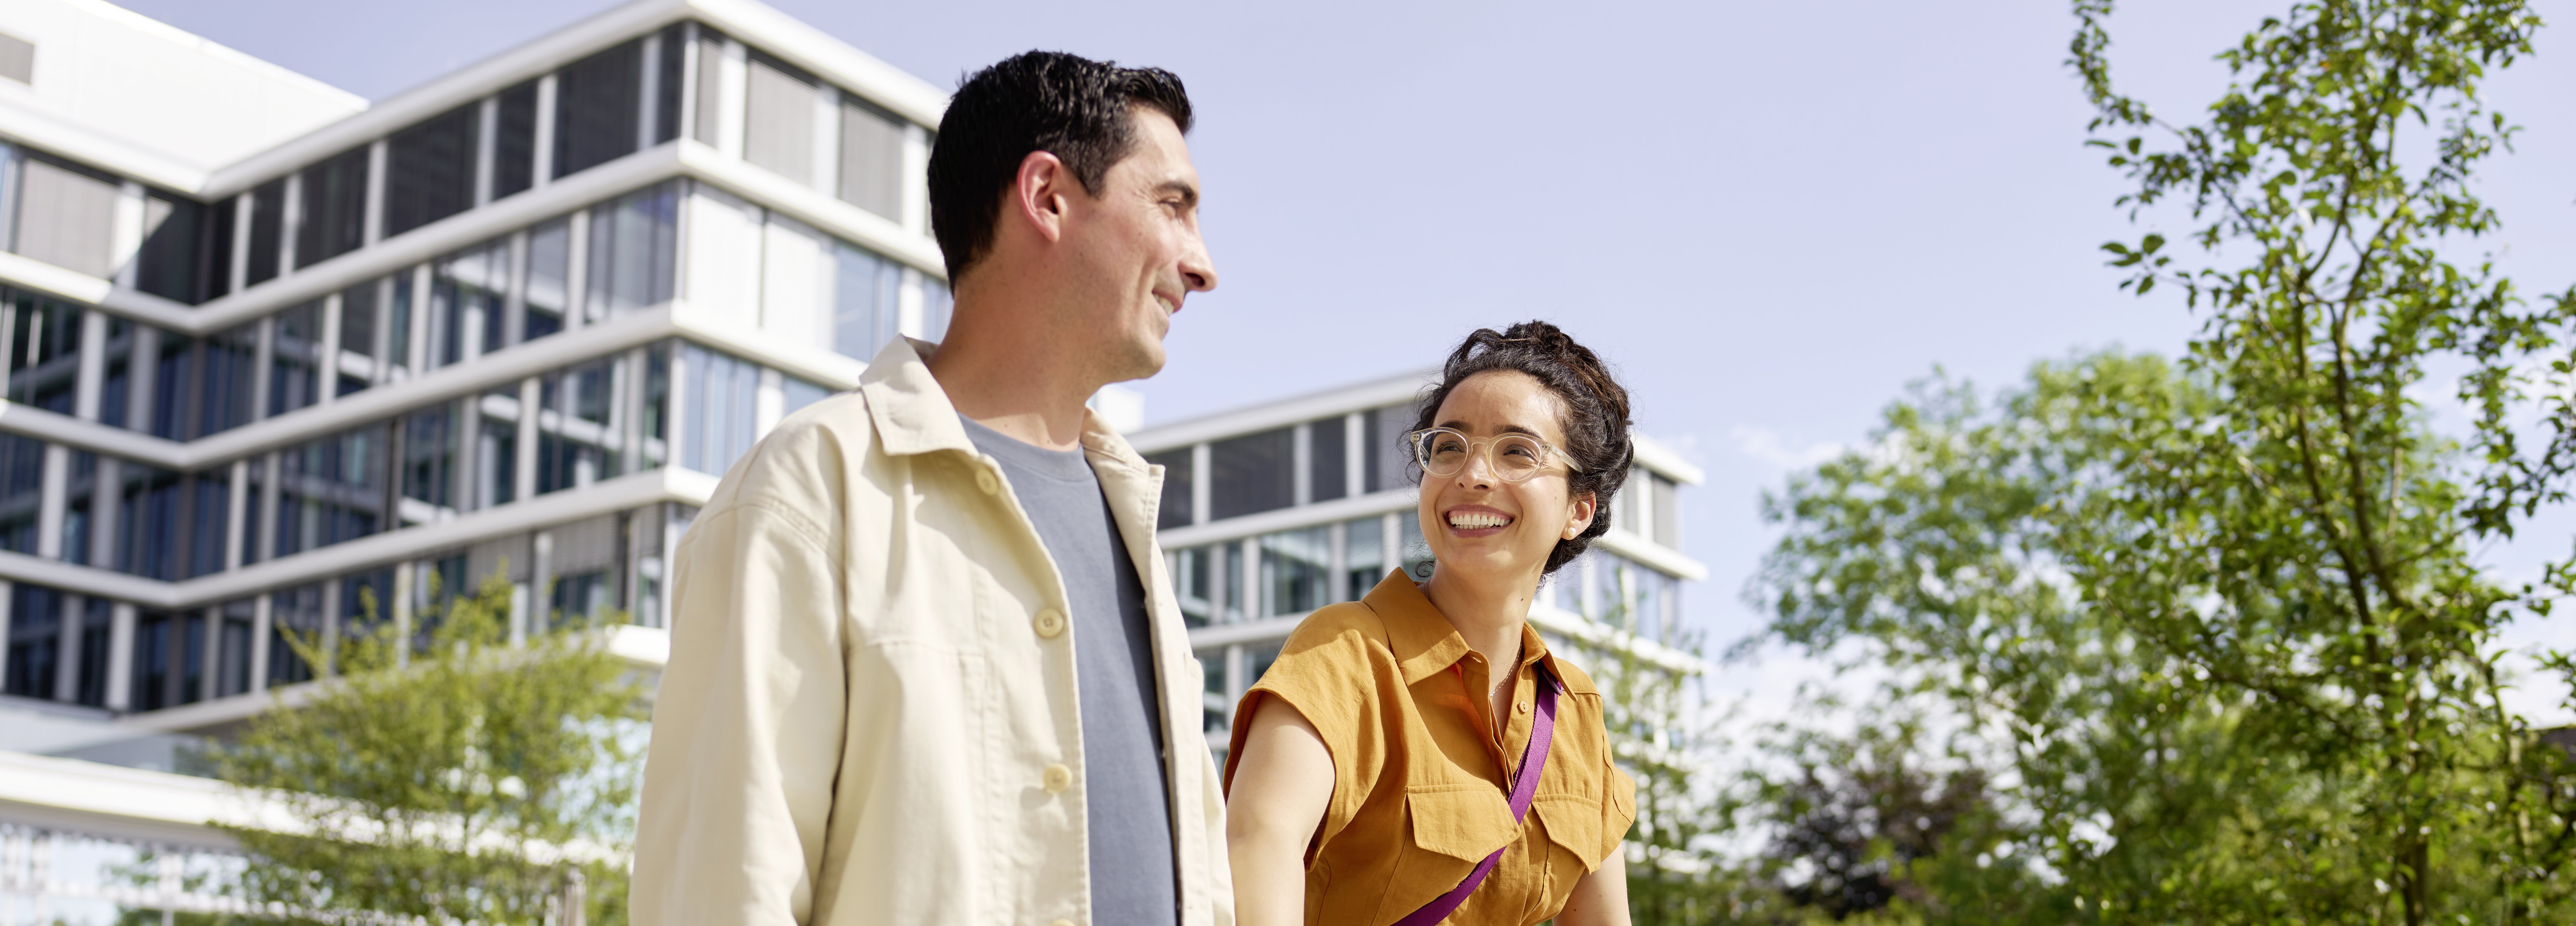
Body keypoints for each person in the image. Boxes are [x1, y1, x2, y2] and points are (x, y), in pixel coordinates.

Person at [631, 51, 1229, 926]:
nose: (1203, 264)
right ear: (1049, 196)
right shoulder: (809, 491)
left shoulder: (1133, 522)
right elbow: (723, 891)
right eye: (1173, 205)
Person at [1223, 322, 1637, 926]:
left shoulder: (1574, 709)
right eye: (1449, 447)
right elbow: (1259, 842)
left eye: (1517, 451)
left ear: (1579, 510)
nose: (1472, 474)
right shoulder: (1346, 654)